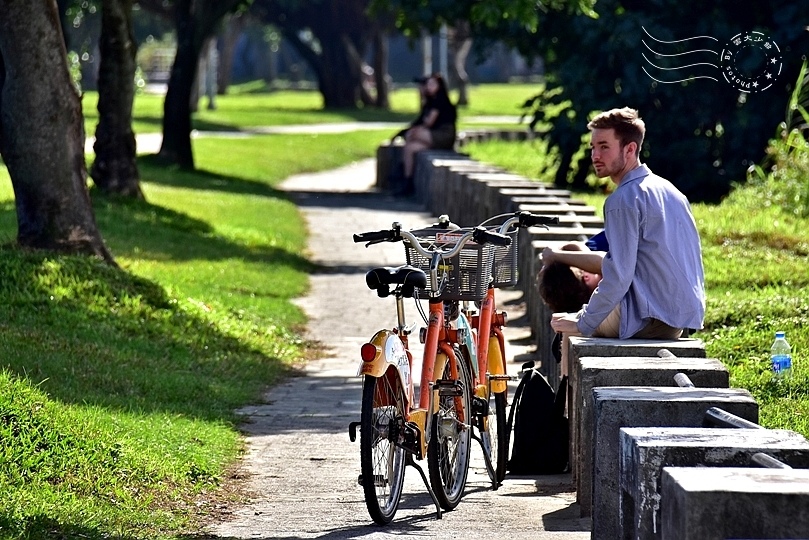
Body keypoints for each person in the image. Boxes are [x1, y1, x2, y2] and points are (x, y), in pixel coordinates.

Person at [549, 107, 705, 340]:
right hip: (678, 320)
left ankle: (561, 377)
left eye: (604, 147)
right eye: (593, 147)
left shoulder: (623, 200)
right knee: (579, 317)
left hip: (646, 320)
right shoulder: (671, 191)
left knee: (564, 326)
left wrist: (583, 322)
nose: (595, 156)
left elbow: (618, 276)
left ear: (630, 149)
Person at [393, 73, 457, 196]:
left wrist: (414, 130)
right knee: (409, 148)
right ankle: (407, 180)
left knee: (413, 134)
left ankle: (400, 170)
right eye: (428, 84)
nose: (429, 87)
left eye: (432, 84)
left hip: (443, 135)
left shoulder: (439, 101)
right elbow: (420, 120)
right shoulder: (429, 101)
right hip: (432, 136)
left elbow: (428, 122)